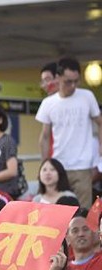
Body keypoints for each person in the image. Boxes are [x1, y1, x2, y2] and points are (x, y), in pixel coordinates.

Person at [37, 57, 102, 208]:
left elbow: (100, 122)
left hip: (82, 165)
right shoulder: (48, 103)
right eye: (68, 81)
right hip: (59, 165)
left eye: (76, 81)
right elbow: (45, 136)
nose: (72, 86)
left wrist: (100, 146)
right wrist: (45, 164)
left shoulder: (86, 96)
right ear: (58, 78)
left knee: (83, 210)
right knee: (60, 211)